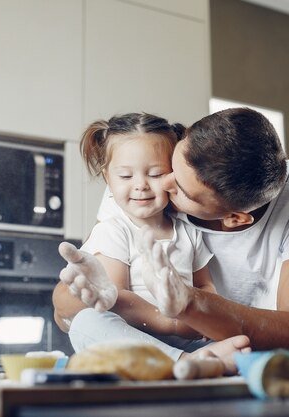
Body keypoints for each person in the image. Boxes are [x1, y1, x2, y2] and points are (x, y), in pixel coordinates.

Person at [54, 107, 289, 356]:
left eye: (180, 188)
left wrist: (189, 306)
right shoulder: (142, 177)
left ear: (234, 219)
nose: (159, 183)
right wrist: (96, 298)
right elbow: (66, 309)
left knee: (250, 355)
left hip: (225, 342)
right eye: (169, 168)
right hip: (145, 340)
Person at [57, 113, 251, 372]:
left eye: (156, 174)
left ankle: (193, 362)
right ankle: (182, 364)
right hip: (134, 342)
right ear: (107, 178)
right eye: (125, 176)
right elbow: (117, 300)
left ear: (175, 175)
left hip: (187, 339)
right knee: (88, 322)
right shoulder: (114, 230)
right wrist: (172, 323)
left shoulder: (188, 230)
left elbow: (204, 284)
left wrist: (203, 321)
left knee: (242, 341)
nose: (141, 186)